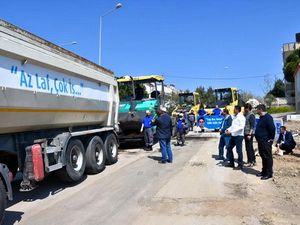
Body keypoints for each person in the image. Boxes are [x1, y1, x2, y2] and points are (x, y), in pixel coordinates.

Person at [255, 104, 275, 180]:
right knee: (263, 156)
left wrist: (271, 139)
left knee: (267, 157)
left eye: (257, 109)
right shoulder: (261, 117)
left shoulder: (268, 118)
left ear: (260, 109)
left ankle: (269, 173)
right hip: (260, 141)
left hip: (266, 141)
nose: (256, 111)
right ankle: (264, 171)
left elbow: (272, 129)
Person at [225, 105, 246, 170]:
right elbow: (233, 126)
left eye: (234, 109)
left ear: (237, 110)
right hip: (233, 135)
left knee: (239, 151)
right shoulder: (235, 117)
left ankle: (240, 165)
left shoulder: (241, 117)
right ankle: (231, 163)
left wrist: (232, 131)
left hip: (239, 136)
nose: (233, 110)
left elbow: (241, 127)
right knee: (229, 148)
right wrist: (228, 129)